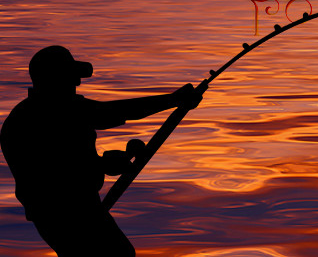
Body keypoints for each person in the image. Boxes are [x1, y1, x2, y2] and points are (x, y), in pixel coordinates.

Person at [0, 45, 200, 256]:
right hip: (71, 215)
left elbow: (66, 160)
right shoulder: (52, 112)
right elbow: (108, 115)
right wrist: (173, 100)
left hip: (63, 214)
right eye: (71, 77)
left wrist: (103, 164)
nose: (77, 83)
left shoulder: (26, 115)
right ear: (54, 79)